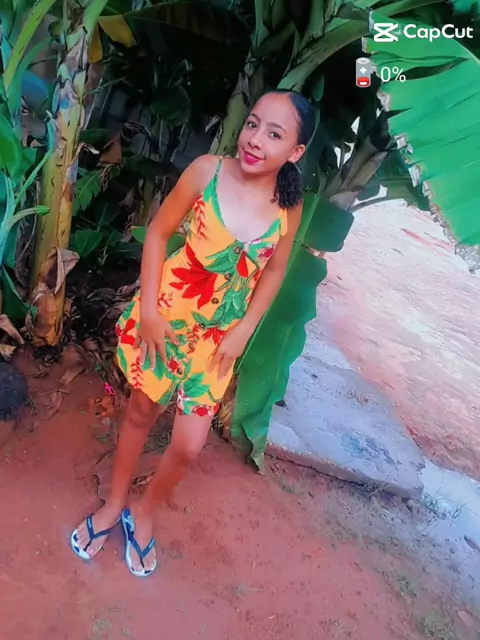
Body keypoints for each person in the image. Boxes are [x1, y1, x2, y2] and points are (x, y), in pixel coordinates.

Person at [70, 89, 315, 577]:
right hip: (167, 320)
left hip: (218, 343)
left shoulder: (289, 205)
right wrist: (148, 311)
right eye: (252, 124)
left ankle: (144, 511)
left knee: (188, 445)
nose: (255, 139)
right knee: (141, 412)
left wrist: (245, 330)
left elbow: (274, 272)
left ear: (296, 152)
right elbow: (159, 233)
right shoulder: (207, 171)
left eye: (274, 134)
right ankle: (115, 503)